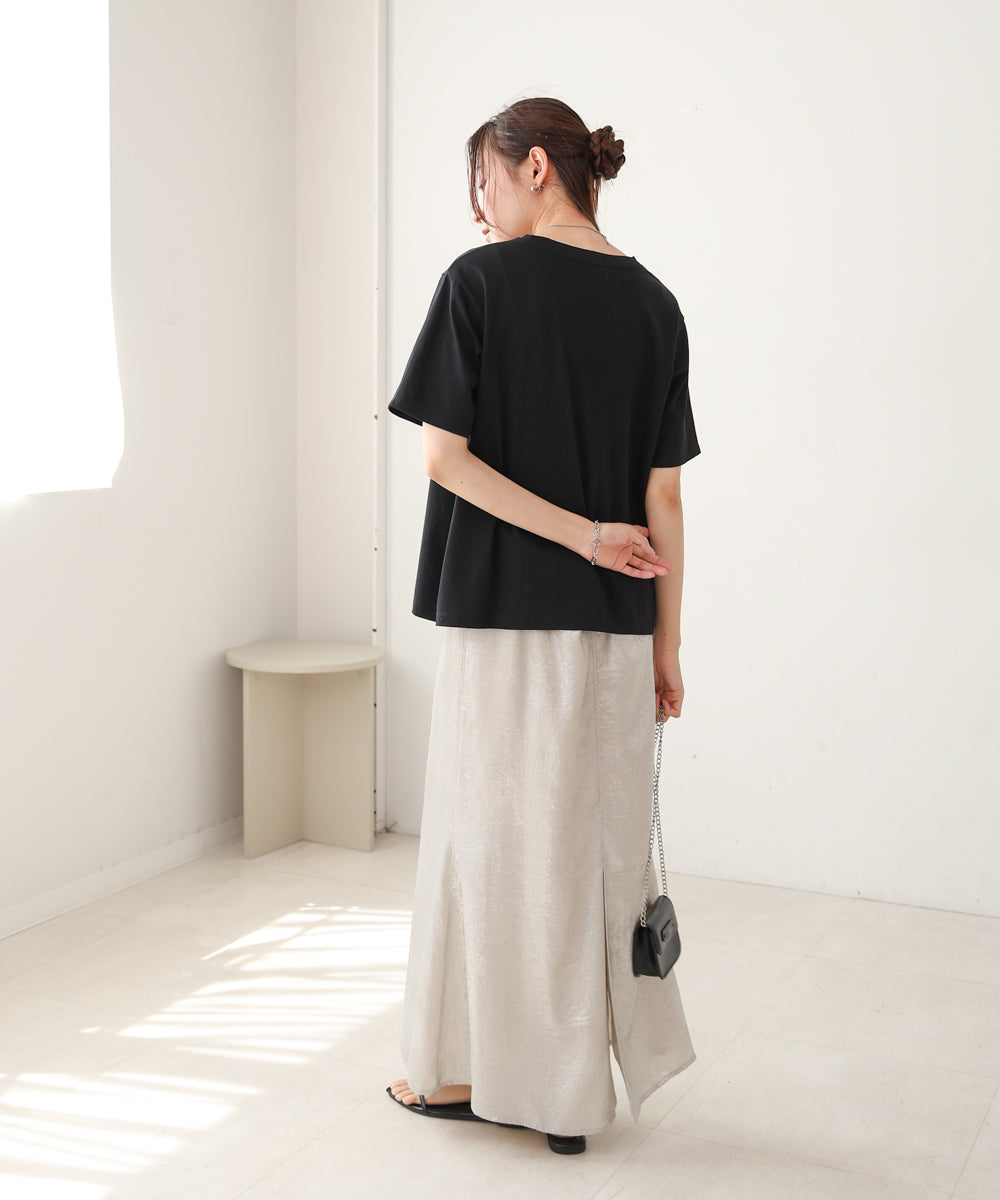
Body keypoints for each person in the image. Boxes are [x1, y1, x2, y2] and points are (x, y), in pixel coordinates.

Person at [384, 96, 700, 1155]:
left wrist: (580, 538)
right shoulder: (655, 304)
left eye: (482, 177)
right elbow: (665, 498)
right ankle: (566, 1101)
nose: (476, 206)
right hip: (616, 630)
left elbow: (445, 461)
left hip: (497, 618)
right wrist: (666, 645)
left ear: (532, 169)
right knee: (586, 860)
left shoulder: (478, 284)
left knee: (488, 852)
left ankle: (459, 1073)